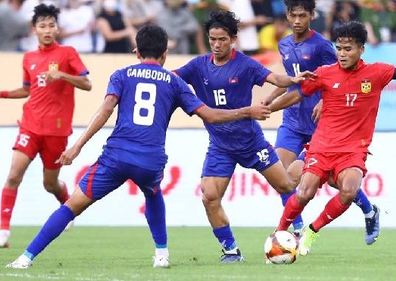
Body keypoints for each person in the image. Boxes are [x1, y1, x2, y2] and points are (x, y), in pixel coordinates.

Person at [5, 24, 273, 269]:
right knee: (153, 191)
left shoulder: (121, 75)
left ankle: (25, 258)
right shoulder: (174, 82)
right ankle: (161, 254)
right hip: (150, 160)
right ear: (165, 53)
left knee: (71, 206)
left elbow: (106, 109)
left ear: (136, 51)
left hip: (116, 157)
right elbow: (211, 115)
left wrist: (77, 146)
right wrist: (247, 111)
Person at [269, 21, 396, 255]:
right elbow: (296, 94)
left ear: (361, 50)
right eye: (339, 48)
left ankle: (312, 231)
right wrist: (269, 109)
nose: (342, 53)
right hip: (322, 145)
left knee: (348, 191)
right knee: (304, 192)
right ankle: (279, 232)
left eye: (348, 49)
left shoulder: (377, 72)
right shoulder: (325, 73)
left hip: (352, 149)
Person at [173, 10, 312, 263]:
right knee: (209, 196)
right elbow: (172, 78)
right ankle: (231, 250)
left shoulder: (245, 64)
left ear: (233, 39)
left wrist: (291, 78)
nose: (216, 45)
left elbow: (273, 77)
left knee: (285, 185)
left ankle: (299, 229)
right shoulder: (197, 66)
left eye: (222, 40)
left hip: (251, 142)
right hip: (220, 146)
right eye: (213, 39)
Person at [263, 0, 380, 244]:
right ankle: (295, 228)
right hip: (293, 122)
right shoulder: (283, 44)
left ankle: (368, 209)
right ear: (286, 15)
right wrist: (270, 99)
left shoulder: (322, 46)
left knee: (333, 180)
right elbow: (293, 81)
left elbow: (340, 75)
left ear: (312, 16)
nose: (297, 21)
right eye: (293, 15)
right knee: (280, 175)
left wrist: (324, 101)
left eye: (302, 15)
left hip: (321, 125)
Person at [0, 3, 92, 248]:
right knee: (13, 175)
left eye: (51, 25)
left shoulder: (68, 53)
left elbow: (87, 83)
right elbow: (27, 90)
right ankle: (3, 232)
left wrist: (63, 75)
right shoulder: (29, 57)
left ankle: (65, 202)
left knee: (49, 183)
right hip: (30, 126)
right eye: (42, 26)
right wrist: (2, 93)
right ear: (34, 30)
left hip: (56, 131)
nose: (47, 29)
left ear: (58, 29)